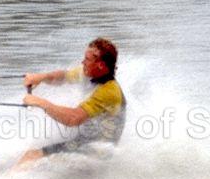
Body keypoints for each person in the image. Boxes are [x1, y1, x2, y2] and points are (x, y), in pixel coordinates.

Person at [14, 37, 126, 169]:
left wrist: (40, 102)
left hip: (97, 152)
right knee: (32, 153)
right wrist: (40, 77)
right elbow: (63, 76)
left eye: (87, 59)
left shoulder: (109, 91)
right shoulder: (88, 73)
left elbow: (73, 119)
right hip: (83, 140)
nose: (83, 62)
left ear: (100, 65)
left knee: (31, 157)